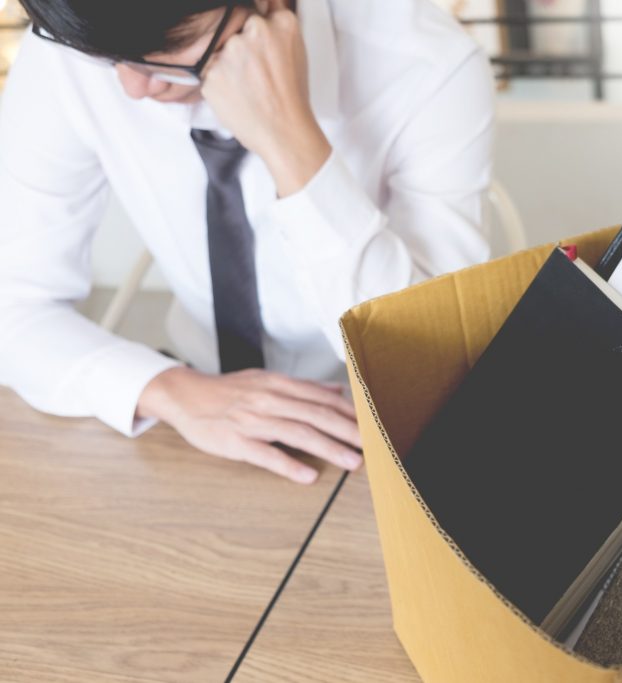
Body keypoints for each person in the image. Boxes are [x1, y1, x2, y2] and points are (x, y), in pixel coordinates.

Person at [0, 0, 494, 482]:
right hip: (195, 410)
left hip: (374, 430)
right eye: (110, 61)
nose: (131, 87)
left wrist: (291, 142)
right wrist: (169, 390)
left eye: (170, 49)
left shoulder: (427, 64)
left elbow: (431, 365)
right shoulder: (75, 43)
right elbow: (13, 304)